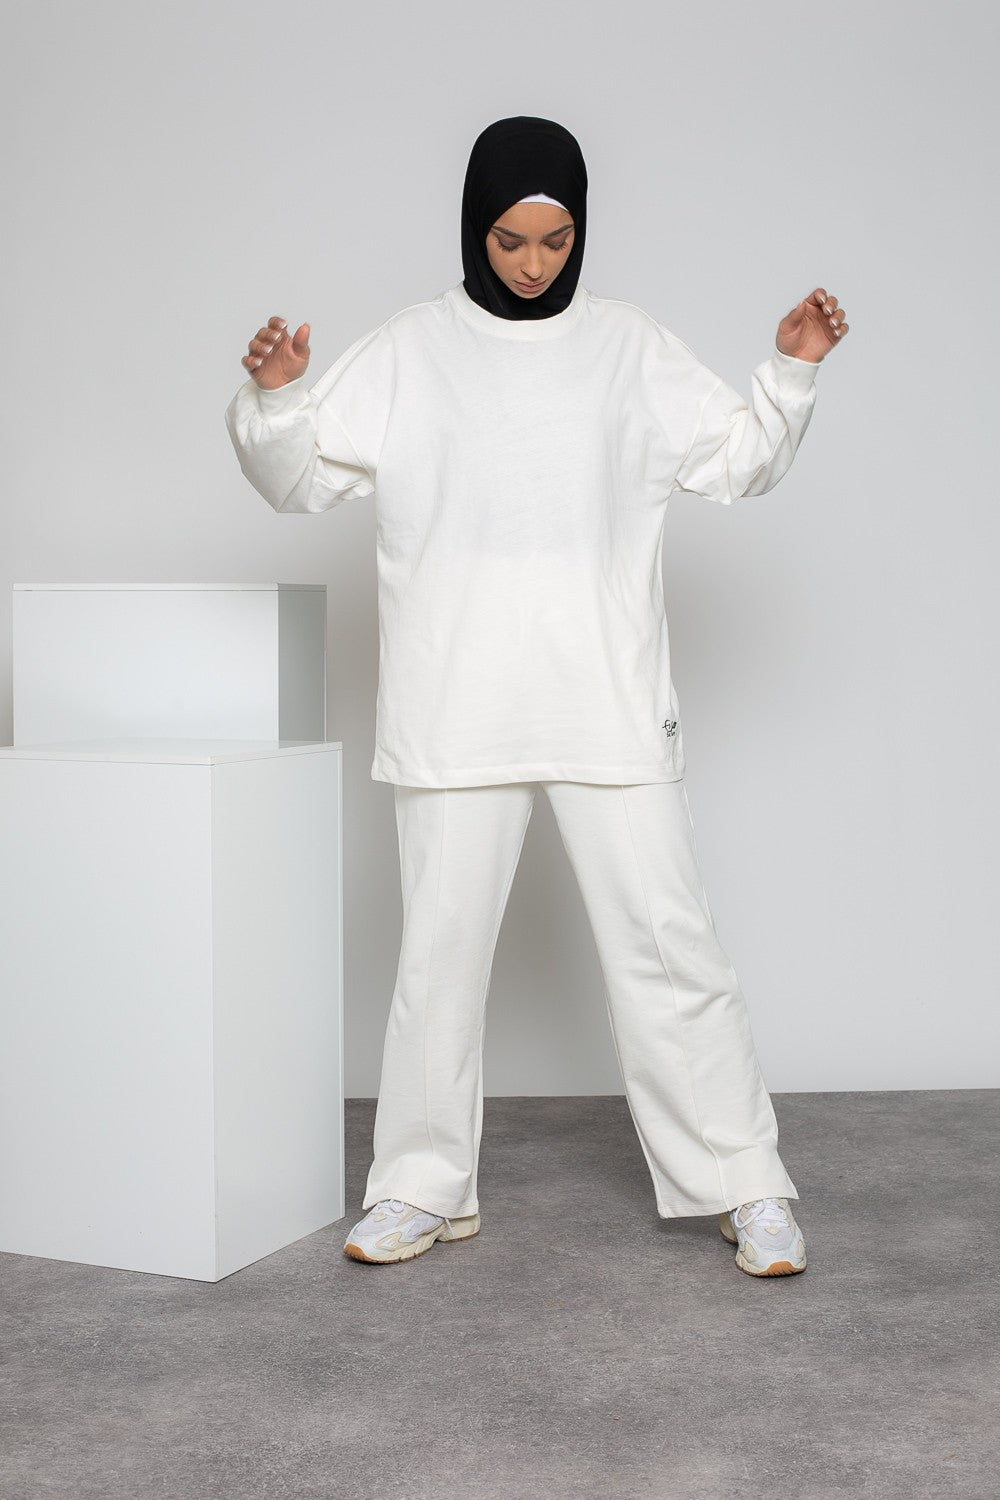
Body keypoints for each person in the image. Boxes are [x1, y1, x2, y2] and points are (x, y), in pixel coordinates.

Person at [225, 115, 849, 1278]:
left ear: (581, 230)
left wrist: (791, 372)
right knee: (438, 959)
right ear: (474, 226)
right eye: (509, 238)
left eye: (555, 239)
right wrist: (273, 403)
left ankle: (744, 1183)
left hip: (604, 695)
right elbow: (298, 481)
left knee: (671, 947)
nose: (530, 262)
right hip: (454, 701)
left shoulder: (628, 347)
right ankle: (418, 1187)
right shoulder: (412, 348)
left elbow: (736, 462)